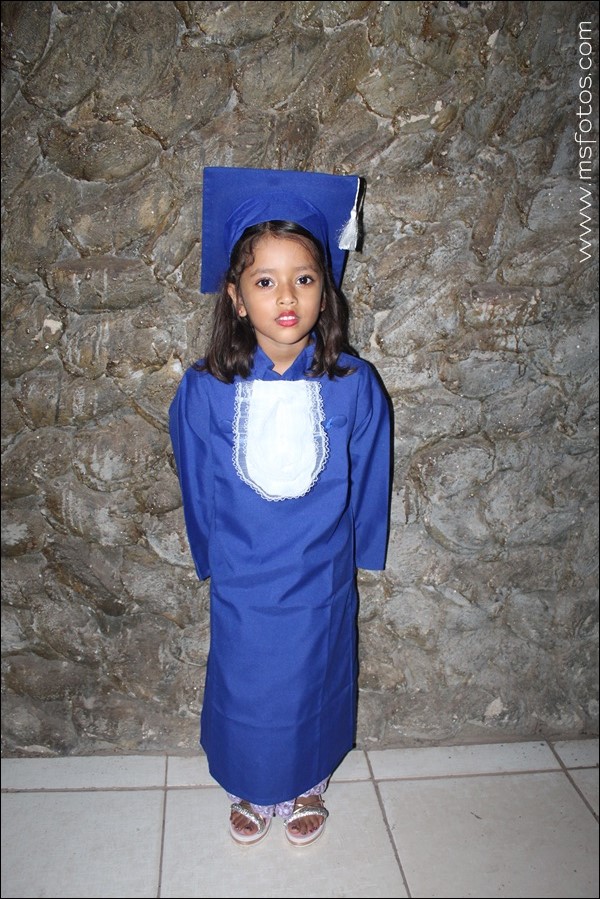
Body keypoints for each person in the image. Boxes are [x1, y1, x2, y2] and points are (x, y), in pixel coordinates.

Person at [169, 166, 391, 847]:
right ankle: (250, 779)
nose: (286, 296)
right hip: (245, 575)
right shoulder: (205, 388)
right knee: (248, 677)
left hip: (319, 574)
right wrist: (210, 556)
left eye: (304, 277)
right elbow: (197, 478)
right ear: (236, 297)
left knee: (313, 676)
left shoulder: (353, 384)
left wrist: (362, 551)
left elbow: (370, 469)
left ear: (326, 291)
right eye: (265, 281)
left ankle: (307, 781)